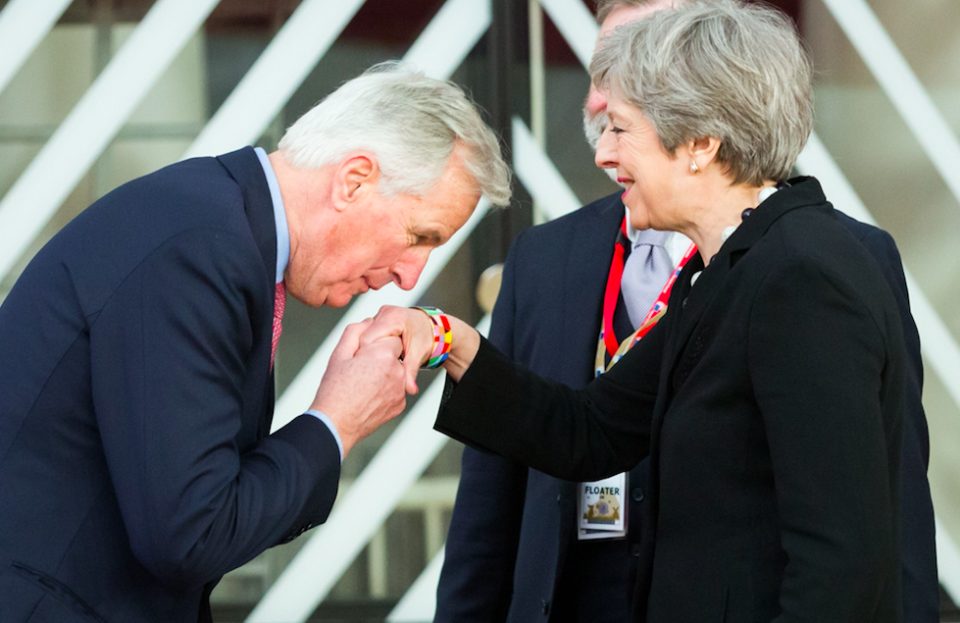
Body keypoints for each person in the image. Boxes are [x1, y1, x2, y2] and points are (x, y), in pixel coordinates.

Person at [365, 3, 909, 620]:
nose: (603, 154)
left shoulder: (802, 276)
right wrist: (451, 342)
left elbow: (841, 565)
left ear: (701, 144)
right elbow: (591, 430)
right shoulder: (729, 268)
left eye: (622, 129)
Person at [0, 62, 510, 623]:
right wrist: (336, 421)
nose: (411, 276)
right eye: (419, 236)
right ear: (354, 180)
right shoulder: (201, 248)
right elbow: (191, 534)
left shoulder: (215, 225)